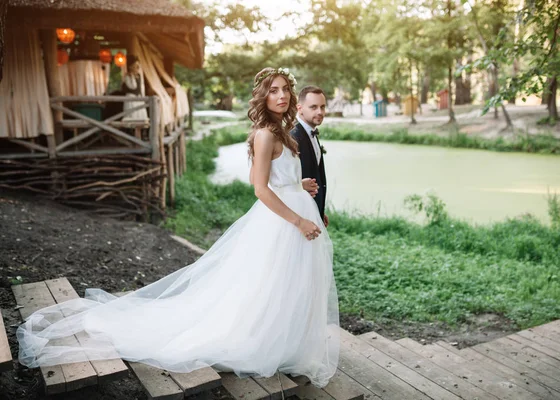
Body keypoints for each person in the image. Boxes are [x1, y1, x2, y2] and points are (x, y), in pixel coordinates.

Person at [17, 67, 340, 389]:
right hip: (283, 222)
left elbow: (276, 180)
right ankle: (263, 341)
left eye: (285, 89)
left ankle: (287, 341)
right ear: (262, 96)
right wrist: (297, 219)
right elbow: (259, 188)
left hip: (294, 208)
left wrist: (297, 185)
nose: (281, 95)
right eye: (273, 90)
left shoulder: (282, 132)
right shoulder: (265, 134)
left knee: (288, 284)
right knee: (270, 284)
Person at [291, 86, 329, 227]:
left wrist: (319, 211)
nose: (320, 112)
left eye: (322, 107)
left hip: (313, 212)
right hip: (300, 216)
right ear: (299, 108)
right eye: (313, 107)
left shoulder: (311, 132)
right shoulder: (293, 137)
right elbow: (284, 181)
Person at [121, 55, 148, 121]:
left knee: (140, 117)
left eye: (138, 66)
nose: (137, 68)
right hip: (131, 99)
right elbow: (133, 86)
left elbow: (141, 87)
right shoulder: (127, 77)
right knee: (132, 117)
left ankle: (139, 130)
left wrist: (142, 97)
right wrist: (132, 76)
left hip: (138, 98)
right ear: (131, 67)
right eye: (135, 66)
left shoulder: (139, 76)